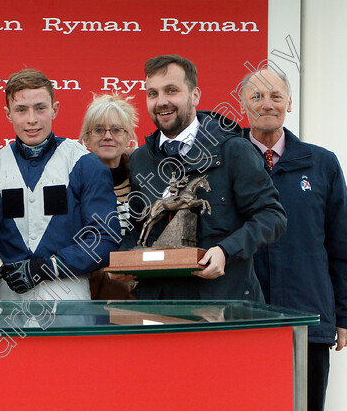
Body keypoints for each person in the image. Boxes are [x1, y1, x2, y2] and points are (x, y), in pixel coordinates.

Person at [240, 67, 347, 411]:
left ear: (289, 102)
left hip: (307, 321)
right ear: (244, 104)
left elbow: (342, 244)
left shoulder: (321, 163)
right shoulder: (229, 161)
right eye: (256, 95)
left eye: (275, 95)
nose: (266, 102)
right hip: (243, 323)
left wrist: (346, 314)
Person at [121, 54, 286, 300]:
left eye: (172, 90)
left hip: (223, 309)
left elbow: (272, 217)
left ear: (195, 95)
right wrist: (123, 258)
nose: (161, 102)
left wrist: (225, 251)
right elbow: (138, 225)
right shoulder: (140, 160)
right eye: (152, 94)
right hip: (158, 310)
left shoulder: (234, 150)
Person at [0, 69, 119, 300]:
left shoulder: (84, 164)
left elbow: (104, 238)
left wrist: (48, 267)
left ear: (55, 109)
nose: (31, 119)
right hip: (9, 297)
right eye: (21, 110)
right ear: (8, 114)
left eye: (40, 108)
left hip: (69, 294)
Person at [78, 93, 138, 299]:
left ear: (128, 136)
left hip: (143, 290)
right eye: (99, 130)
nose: (107, 136)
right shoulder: (72, 182)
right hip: (91, 291)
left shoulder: (145, 181)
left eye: (116, 130)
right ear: (86, 138)